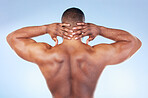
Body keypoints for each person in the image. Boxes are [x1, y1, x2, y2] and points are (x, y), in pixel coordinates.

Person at [7, 8, 142, 98]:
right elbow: (134, 42)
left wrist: (46, 28)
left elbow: (13, 38)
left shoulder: (46, 54)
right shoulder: (97, 54)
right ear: (84, 26)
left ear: (61, 25)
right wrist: (100, 30)